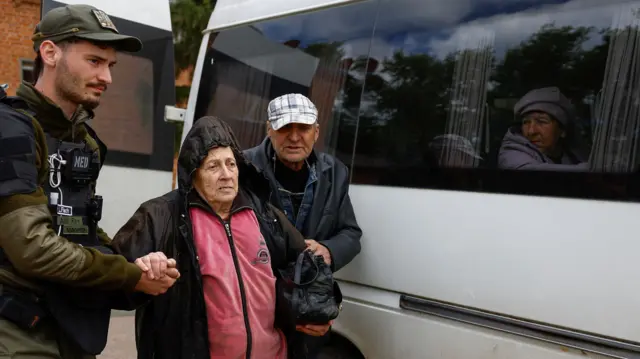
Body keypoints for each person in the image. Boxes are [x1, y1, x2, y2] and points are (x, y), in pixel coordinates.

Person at [0, 4, 178, 359]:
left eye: (110, 65)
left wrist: (140, 265)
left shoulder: (84, 142)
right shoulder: (10, 128)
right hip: (17, 328)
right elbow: (32, 248)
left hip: (70, 325)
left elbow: (82, 232)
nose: (107, 78)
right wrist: (126, 275)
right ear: (50, 53)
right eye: (94, 61)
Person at [111, 116, 334, 359]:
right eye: (213, 166)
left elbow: (307, 268)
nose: (226, 175)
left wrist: (319, 310)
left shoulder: (265, 215)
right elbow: (113, 279)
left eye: (231, 164)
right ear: (193, 174)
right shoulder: (159, 217)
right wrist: (142, 270)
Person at [244, 93, 362, 356]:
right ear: (269, 130)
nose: (295, 137)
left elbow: (350, 233)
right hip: (256, 310)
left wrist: (329, 251)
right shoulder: (243, 169)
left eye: (303, 128)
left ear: (316, 132)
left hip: (309, 310)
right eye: (285, 127)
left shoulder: (335, 172)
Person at [498, 87, 589, 171]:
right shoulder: (512, 153)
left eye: (541, 122)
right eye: (526, 122)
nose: (531, 131)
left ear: (562, 130)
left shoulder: (575, 153)